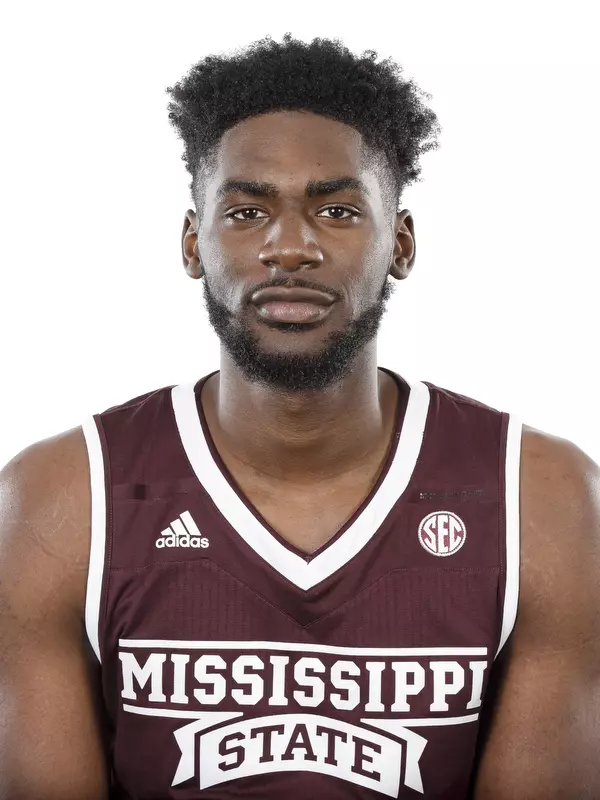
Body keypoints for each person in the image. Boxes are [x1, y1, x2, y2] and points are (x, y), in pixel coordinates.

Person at [0, 32, 599, 800]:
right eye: (247, 213)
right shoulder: (59, 502)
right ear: (193, 242)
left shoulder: (541, 501)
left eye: (339, 209)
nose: (290, 247)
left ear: (402, 242)